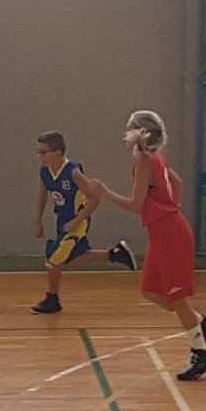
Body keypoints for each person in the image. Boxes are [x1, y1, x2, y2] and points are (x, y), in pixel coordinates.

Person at [89, 110, 206, 380]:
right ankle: (201, 323)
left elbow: (135, 205)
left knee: (176, 297)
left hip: (170, 232)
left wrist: (104, 193)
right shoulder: (154, 158)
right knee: (150, 290)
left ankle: (201, 352)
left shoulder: (145, 163)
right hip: (164, 230)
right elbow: (177, 182)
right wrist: (171, 206)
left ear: (136, 132)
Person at [30, 130, 136, 314]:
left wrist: (77, 220)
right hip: (62, 221)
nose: (40, 156)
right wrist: (38, 220)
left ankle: (52, 299)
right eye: (38, 152)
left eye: (43, 152)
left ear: (58, 153)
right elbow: (42, 196)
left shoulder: (72, 172)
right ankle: (115, 254)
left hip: (78, 222)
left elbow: (95, 199)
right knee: (69, 260)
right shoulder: (45, 172)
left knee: (53, 259)